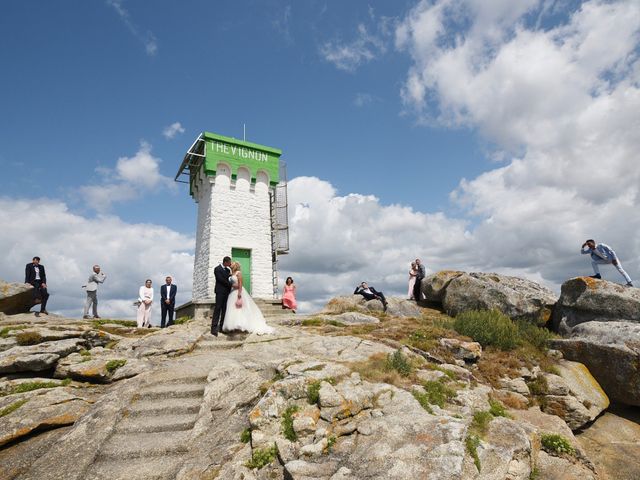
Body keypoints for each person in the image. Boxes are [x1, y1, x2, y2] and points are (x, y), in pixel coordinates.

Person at [223, 262, 274, 335]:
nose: (231, 265)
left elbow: (240, 284)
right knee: (232, 308)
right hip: (232, 292)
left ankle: (240, 324)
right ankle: (233, 325)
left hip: (238, 292)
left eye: (232, 264)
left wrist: (239, 294)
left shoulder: (238, 273)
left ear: (235, 266)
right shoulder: (231, 274)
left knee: (239, 308)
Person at [211, 256, 232, 336]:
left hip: (226, 292)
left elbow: (229, 278)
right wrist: (231, 284)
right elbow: (220, 279)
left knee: (224, 310)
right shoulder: (217, 269)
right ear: (226, 262)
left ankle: (221, 327)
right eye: (229, 262)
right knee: (218, 308)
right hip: (220, 292)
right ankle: (213, 329)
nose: (230, 264)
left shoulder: (227, 270)